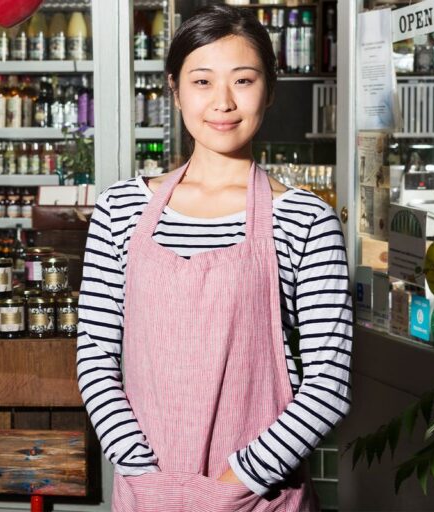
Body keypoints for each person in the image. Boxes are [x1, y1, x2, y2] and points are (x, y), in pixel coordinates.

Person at [77, 5, 352, 511]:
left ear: (268, 89)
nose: (223, 102)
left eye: (243, 80)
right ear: (174, 89)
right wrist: (143, 471)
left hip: (257, 498)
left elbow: (328, 384)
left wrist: (234, 482)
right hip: (150, 494)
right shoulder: (121, 208)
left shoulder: (306, 219)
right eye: (202, 81)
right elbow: (96, 355)